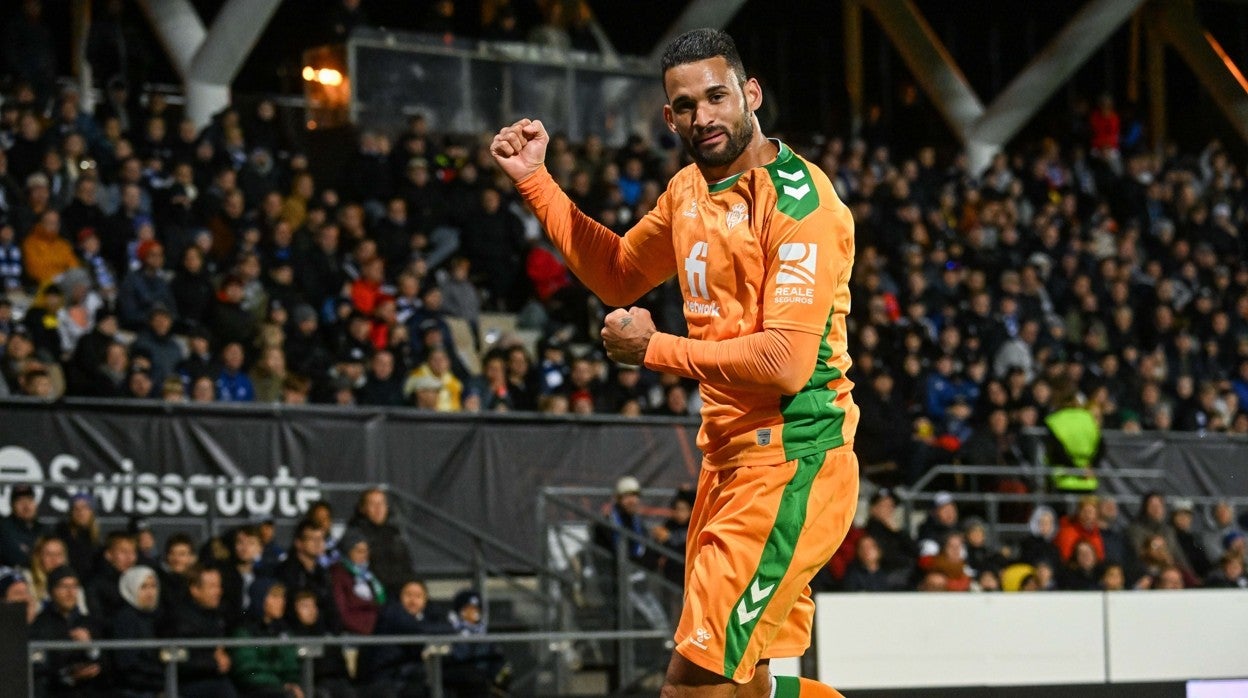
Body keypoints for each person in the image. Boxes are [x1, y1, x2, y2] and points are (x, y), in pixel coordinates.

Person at [492, 28, 858, 696]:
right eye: (686, 105)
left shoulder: (801, 204)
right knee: (743, 685)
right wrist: (536, 182)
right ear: (669, 116)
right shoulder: (689, 191)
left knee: (691, 685)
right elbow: (620, 273)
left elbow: (784, 363)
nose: (704, 116)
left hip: (793, 461)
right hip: (728, 463)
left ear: (751, 94)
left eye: (717, 96)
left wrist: (652, 350)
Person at [358, 579, 446, 698]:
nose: (413, 600)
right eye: (408, 595)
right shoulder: (393, 612)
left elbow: (448, 628)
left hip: (405, 677)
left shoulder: (429, 615)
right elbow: (417, 629)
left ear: (425, 600)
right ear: (400, 597)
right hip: (383, 678)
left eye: (418, 596)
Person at [29, 566, 106, 697]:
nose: (70, 592)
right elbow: (38, 670)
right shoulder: (40, 625)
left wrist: (91, 649)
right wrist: (68, 675)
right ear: (52, 591)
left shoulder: (89, 622)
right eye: (64, 587)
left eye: (74, 586)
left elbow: (107, 664)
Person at [164, 565, 238, 698]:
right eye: (212, 586)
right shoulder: (179, 619)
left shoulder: (217, 616)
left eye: (219, 586)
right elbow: (179, 659)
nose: (219, 591)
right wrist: (213, 663)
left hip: (215, 679)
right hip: (190, 684)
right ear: (195, 590)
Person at [231, 578, 304, 698]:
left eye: (282, 597)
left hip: (281, 688)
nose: (281, 602)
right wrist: (280, 685)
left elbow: (291, 665)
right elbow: (247, 671)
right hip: (255, 690)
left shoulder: (283, 631)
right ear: (260, 599)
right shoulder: (245, 631)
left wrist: (291, 682)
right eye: (275, 597)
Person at [345, 489, 415, 597]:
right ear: (362, 509)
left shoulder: (395, 533)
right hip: (374, 595)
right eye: (372, 504)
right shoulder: (354, 536)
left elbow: (408, 567)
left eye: (381, 503)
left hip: (401, 593)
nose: (378, 509)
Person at [111, 565, 165, 698]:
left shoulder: (155, 616)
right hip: (134, 689)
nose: (150, 593)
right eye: (144, 587)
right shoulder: (125, 618)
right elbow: (128, 663)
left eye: (153, 586)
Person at [328, 528, 385, 635]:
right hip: (357, 630)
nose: (364, 555)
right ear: (348, 551)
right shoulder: (338, 574)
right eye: (359, 551)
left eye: (366, 551)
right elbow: (342, 612)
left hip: (375, 625)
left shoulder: (369, 574)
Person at [0, 484, 50, 567]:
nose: (26, 506)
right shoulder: (3, 528)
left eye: (29, 500)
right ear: (12, 505)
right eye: (20, 501)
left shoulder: (45, 530)